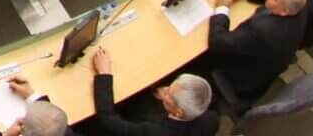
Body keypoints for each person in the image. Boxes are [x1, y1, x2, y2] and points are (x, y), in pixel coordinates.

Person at [198, 0, 309, 104]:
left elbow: (217, 42)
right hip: (263, 63)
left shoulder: (262, 31)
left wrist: (222, 7)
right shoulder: (300, 5)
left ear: (284, 12)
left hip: (240, 78)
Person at [84, 47, 216, 135]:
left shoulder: (153, 132)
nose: (163, 89)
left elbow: (108, 119)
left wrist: (103, 74)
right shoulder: (211, 119)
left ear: (178, 112)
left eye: (168, 93)